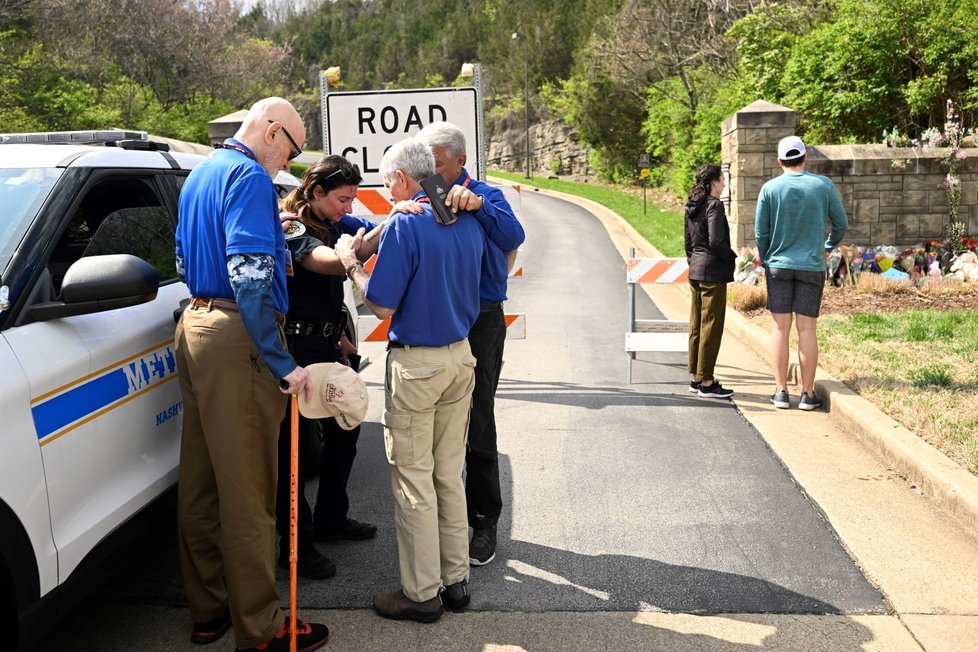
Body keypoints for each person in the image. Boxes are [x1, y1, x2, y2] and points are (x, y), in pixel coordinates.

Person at [173, 97, 329, 652]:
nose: (285, 161)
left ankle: (208, 610)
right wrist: (281, 361)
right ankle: (261, 628)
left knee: (201, 481)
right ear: (270, 128)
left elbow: (184, 263)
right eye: (289, 146)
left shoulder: (200, 175)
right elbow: (250, 274)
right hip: (239, 336)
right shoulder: (248, 178)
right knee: (248, 491)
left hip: (195, 322)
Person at [334, 137, 484, 623]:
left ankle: (420, 594)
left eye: (385, 181)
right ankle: (455, 580)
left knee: (414, 481)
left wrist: (352, 264)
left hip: (417, 365)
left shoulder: (405, 224)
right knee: (447, 474)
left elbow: (381, 304)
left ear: (401, 179)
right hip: (461, 357)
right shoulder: (461, 216)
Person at [416, 121, 525, 567]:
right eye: (426, 164)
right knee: (435, 422)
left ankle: (483, 522)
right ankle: (443, 521)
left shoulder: (487, 195)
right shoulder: (421, 194)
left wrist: (478, 206)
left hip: (479, 321)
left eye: (437, 165)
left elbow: (513, 238)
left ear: (462, 161)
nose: (431, 172)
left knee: (477, 419)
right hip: (434, 317)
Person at [272, 156, 382, 581]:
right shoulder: (292, 226)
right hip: (297, 351)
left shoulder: (336, 221)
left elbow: (364, 241)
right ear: (316, 193)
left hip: (328, 344)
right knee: (295, 453)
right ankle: (296, 545)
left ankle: (333, 516)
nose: (348, 208)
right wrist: (354, 253)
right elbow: (327, 263)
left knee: (346, 428)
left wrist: (399, 218)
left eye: (353, 199)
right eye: (342, 199)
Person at [754, 135, 848, 411]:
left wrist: (769, 256)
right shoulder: (823, 186)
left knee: (779, 329)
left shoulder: (769, 189)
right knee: (807, 329)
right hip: (811, 265)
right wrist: (827, 247)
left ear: (780, 161)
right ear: (805, 158)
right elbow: (841, 223)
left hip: (779, 266)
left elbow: (761, 231)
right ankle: (808, 394)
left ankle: (781, 391)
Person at [684, 164, 736, 399]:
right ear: (714, 181)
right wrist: (730, 256)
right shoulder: (714, 205)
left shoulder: (692, 204)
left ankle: (696, 377)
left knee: (697, 325)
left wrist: (693, 260)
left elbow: (687, 241)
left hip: (695, 269)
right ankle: (707, 382)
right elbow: (716, 241)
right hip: (712, 273)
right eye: (722, 179)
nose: (724, 183)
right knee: (711, 327)